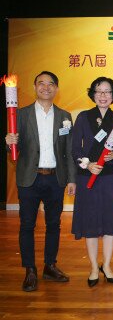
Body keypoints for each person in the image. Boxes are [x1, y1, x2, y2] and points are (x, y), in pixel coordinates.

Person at [4, 71, 77, 292]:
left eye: (51, 84)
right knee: (27, 225)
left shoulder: (65, 116)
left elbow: (69, 151)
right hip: (29, 178)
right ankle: (30, 270)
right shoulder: (20, 114)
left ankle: (49, 266)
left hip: (56, 179)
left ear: (57, 88)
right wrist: (8, 143)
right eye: (41, 84)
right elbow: (13, 150)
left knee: (54, 225)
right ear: (35, 87)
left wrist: (72, 179)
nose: (46, 87)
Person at [71, 77, 113, 287]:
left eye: (107, 91)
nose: (103, 95)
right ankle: (94, 267)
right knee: (91, 223)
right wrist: (87, 165)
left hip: (111, 177)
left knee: (110, 224)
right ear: (93, 94)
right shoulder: (83, 117)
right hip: (89, 177)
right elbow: (75, 149)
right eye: (99, 91)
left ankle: (107, 265)